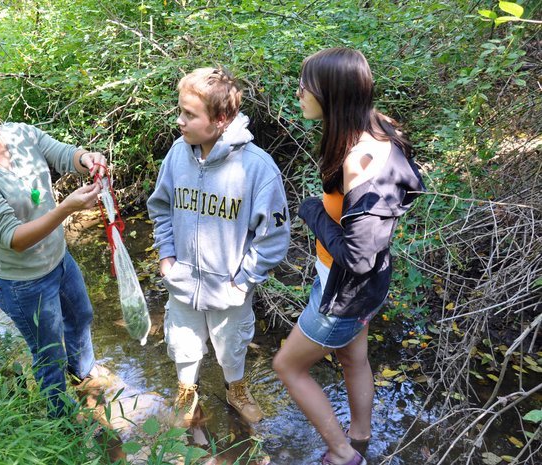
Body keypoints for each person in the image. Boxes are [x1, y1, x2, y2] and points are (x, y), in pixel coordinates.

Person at [0, 62, 111, 418]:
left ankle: (85, 375)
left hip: (60, 260)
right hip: (23, 283)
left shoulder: (20, 134)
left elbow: (60, 152)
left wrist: (85, 158)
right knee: (48, 355)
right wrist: (66, 209)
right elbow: (14, 238)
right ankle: (63, 424)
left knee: (82, 316)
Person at [272, 48, 425, 465]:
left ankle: (342, 453)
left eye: (307, 85)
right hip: (367, 289)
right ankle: (359, 437)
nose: (299, 91)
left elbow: (357, 256)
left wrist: (312, 212)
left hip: (345, 294)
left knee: (287, 365)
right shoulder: (378, 126)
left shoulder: (362, 162)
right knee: (354, 358)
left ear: (333, 94)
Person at [147, 67, 291, 425]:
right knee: (183, 342)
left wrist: (244, 279)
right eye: (180, 111)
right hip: (182, 280)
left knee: (231, 343)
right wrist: (166, 254)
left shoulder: (258, 168)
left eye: (189, 114)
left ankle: (236, 387)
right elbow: (160, 206)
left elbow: (274, 236)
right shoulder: (178, 155)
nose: (179, 121)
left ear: (221, 119)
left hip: (230, 286)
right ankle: (186, 391)